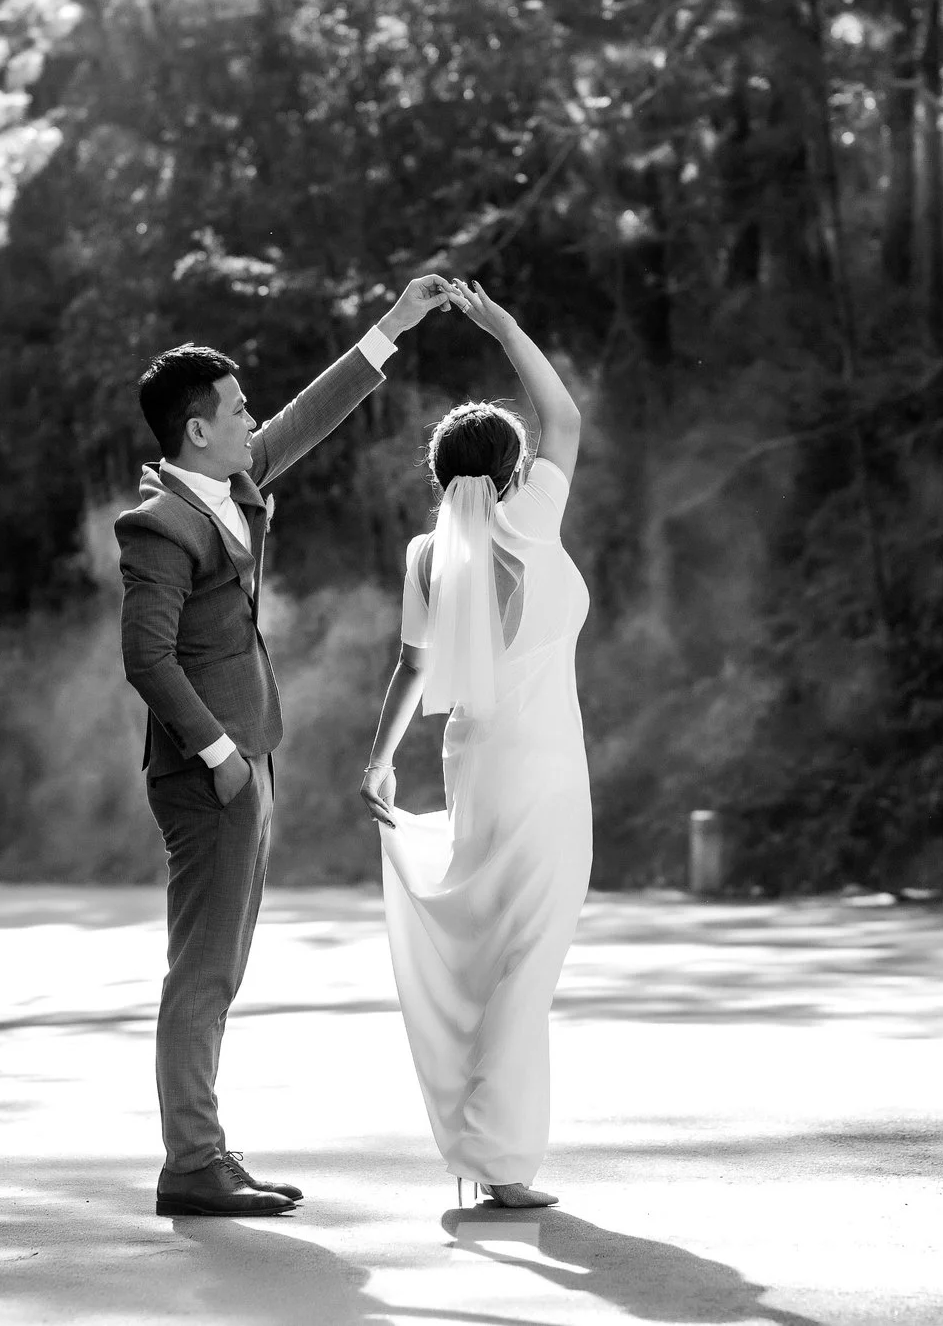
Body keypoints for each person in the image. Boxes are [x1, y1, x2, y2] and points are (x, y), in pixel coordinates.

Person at [119, 273, 452, 1218]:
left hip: (250, 753)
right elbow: (145, 658)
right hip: (211, 770)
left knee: (221, 962)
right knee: (205, 966)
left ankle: (203, 1150)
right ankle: (193, 1161)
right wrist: (221, 757)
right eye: (236, 409)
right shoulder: (159, 526)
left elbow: (310, 414)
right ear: (197, 429)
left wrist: (396, 321)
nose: (250, 417)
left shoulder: (231, 480)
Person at [359, 278, 588, 1211]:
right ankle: (501, 1159)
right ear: (514, 470)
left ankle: (489, 1148)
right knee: (529, 957)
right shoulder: (531, 520)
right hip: (546, 771)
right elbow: (564, 415)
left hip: (474, 768)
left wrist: (379, 761)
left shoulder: (427, 555)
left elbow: (412, 669)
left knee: (492, 953)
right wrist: (500, 323)